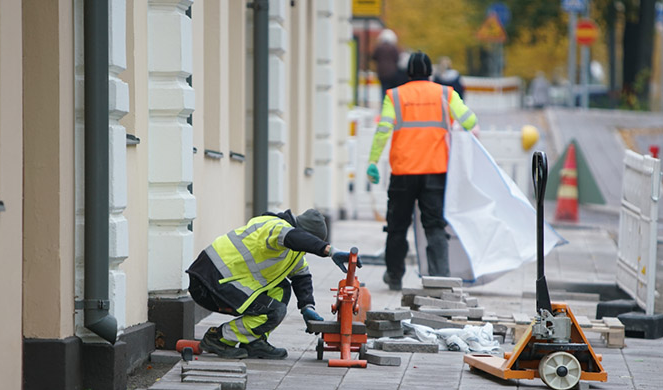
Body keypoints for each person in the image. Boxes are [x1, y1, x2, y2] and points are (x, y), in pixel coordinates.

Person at [366, 51, 479, 291]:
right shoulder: (445, 94)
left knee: (397, 226)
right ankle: (440, 278)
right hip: (435, 171)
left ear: (408, 72)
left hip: (403, 172)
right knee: (434, 225)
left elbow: (383, 130)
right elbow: (469, 121)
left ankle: (394, 276)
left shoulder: (395, 96)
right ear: (430, 73)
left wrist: (373, 162)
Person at [186, 209, 359, 359]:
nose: (305, 251)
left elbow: (302, 277)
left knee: (282, 288)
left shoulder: (293, 250)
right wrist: (329, 250)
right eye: (307, 244)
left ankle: (254, 342)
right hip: (208, 280)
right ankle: (218, 338)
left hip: (223, 280)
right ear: (304, 234)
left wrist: (307, 307)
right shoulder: (274, 227)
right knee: (273, 311)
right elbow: (293, 237)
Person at [371, 29, 406, 97]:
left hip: (381, 72)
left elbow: (374, 57)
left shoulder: (379, 48)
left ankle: (384, 104)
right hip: (392, 73)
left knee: (383, 89)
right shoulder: (393, 48)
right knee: (390, 91)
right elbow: (397, 58)